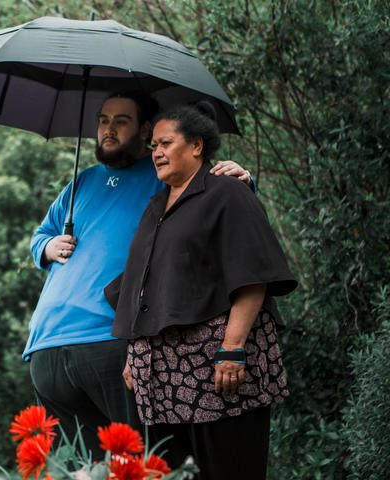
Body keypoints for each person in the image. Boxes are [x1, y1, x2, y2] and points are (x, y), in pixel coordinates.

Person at [23, 91, 254, 459]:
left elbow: (213, 200)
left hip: (109, 340)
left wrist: (241, 177)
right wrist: (47, 248)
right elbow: (40, 236)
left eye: (121, 121)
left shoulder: (162, 171)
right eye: (103, 120)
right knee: (83, 468)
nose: (108, 129)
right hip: (46, 344)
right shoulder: (80, 182)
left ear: (145, 129)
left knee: (144, 461)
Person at [104, 101, 297, 479]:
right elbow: (141, 283)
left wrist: (233, 350)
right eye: (153, 145)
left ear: (196, 146)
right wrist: (134, 349)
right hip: (162, 381)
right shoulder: (155, 206)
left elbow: (253, 275)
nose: (156, 152)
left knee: (228, 469)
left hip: (217, 370)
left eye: (166, 142)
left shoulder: (228, 192)